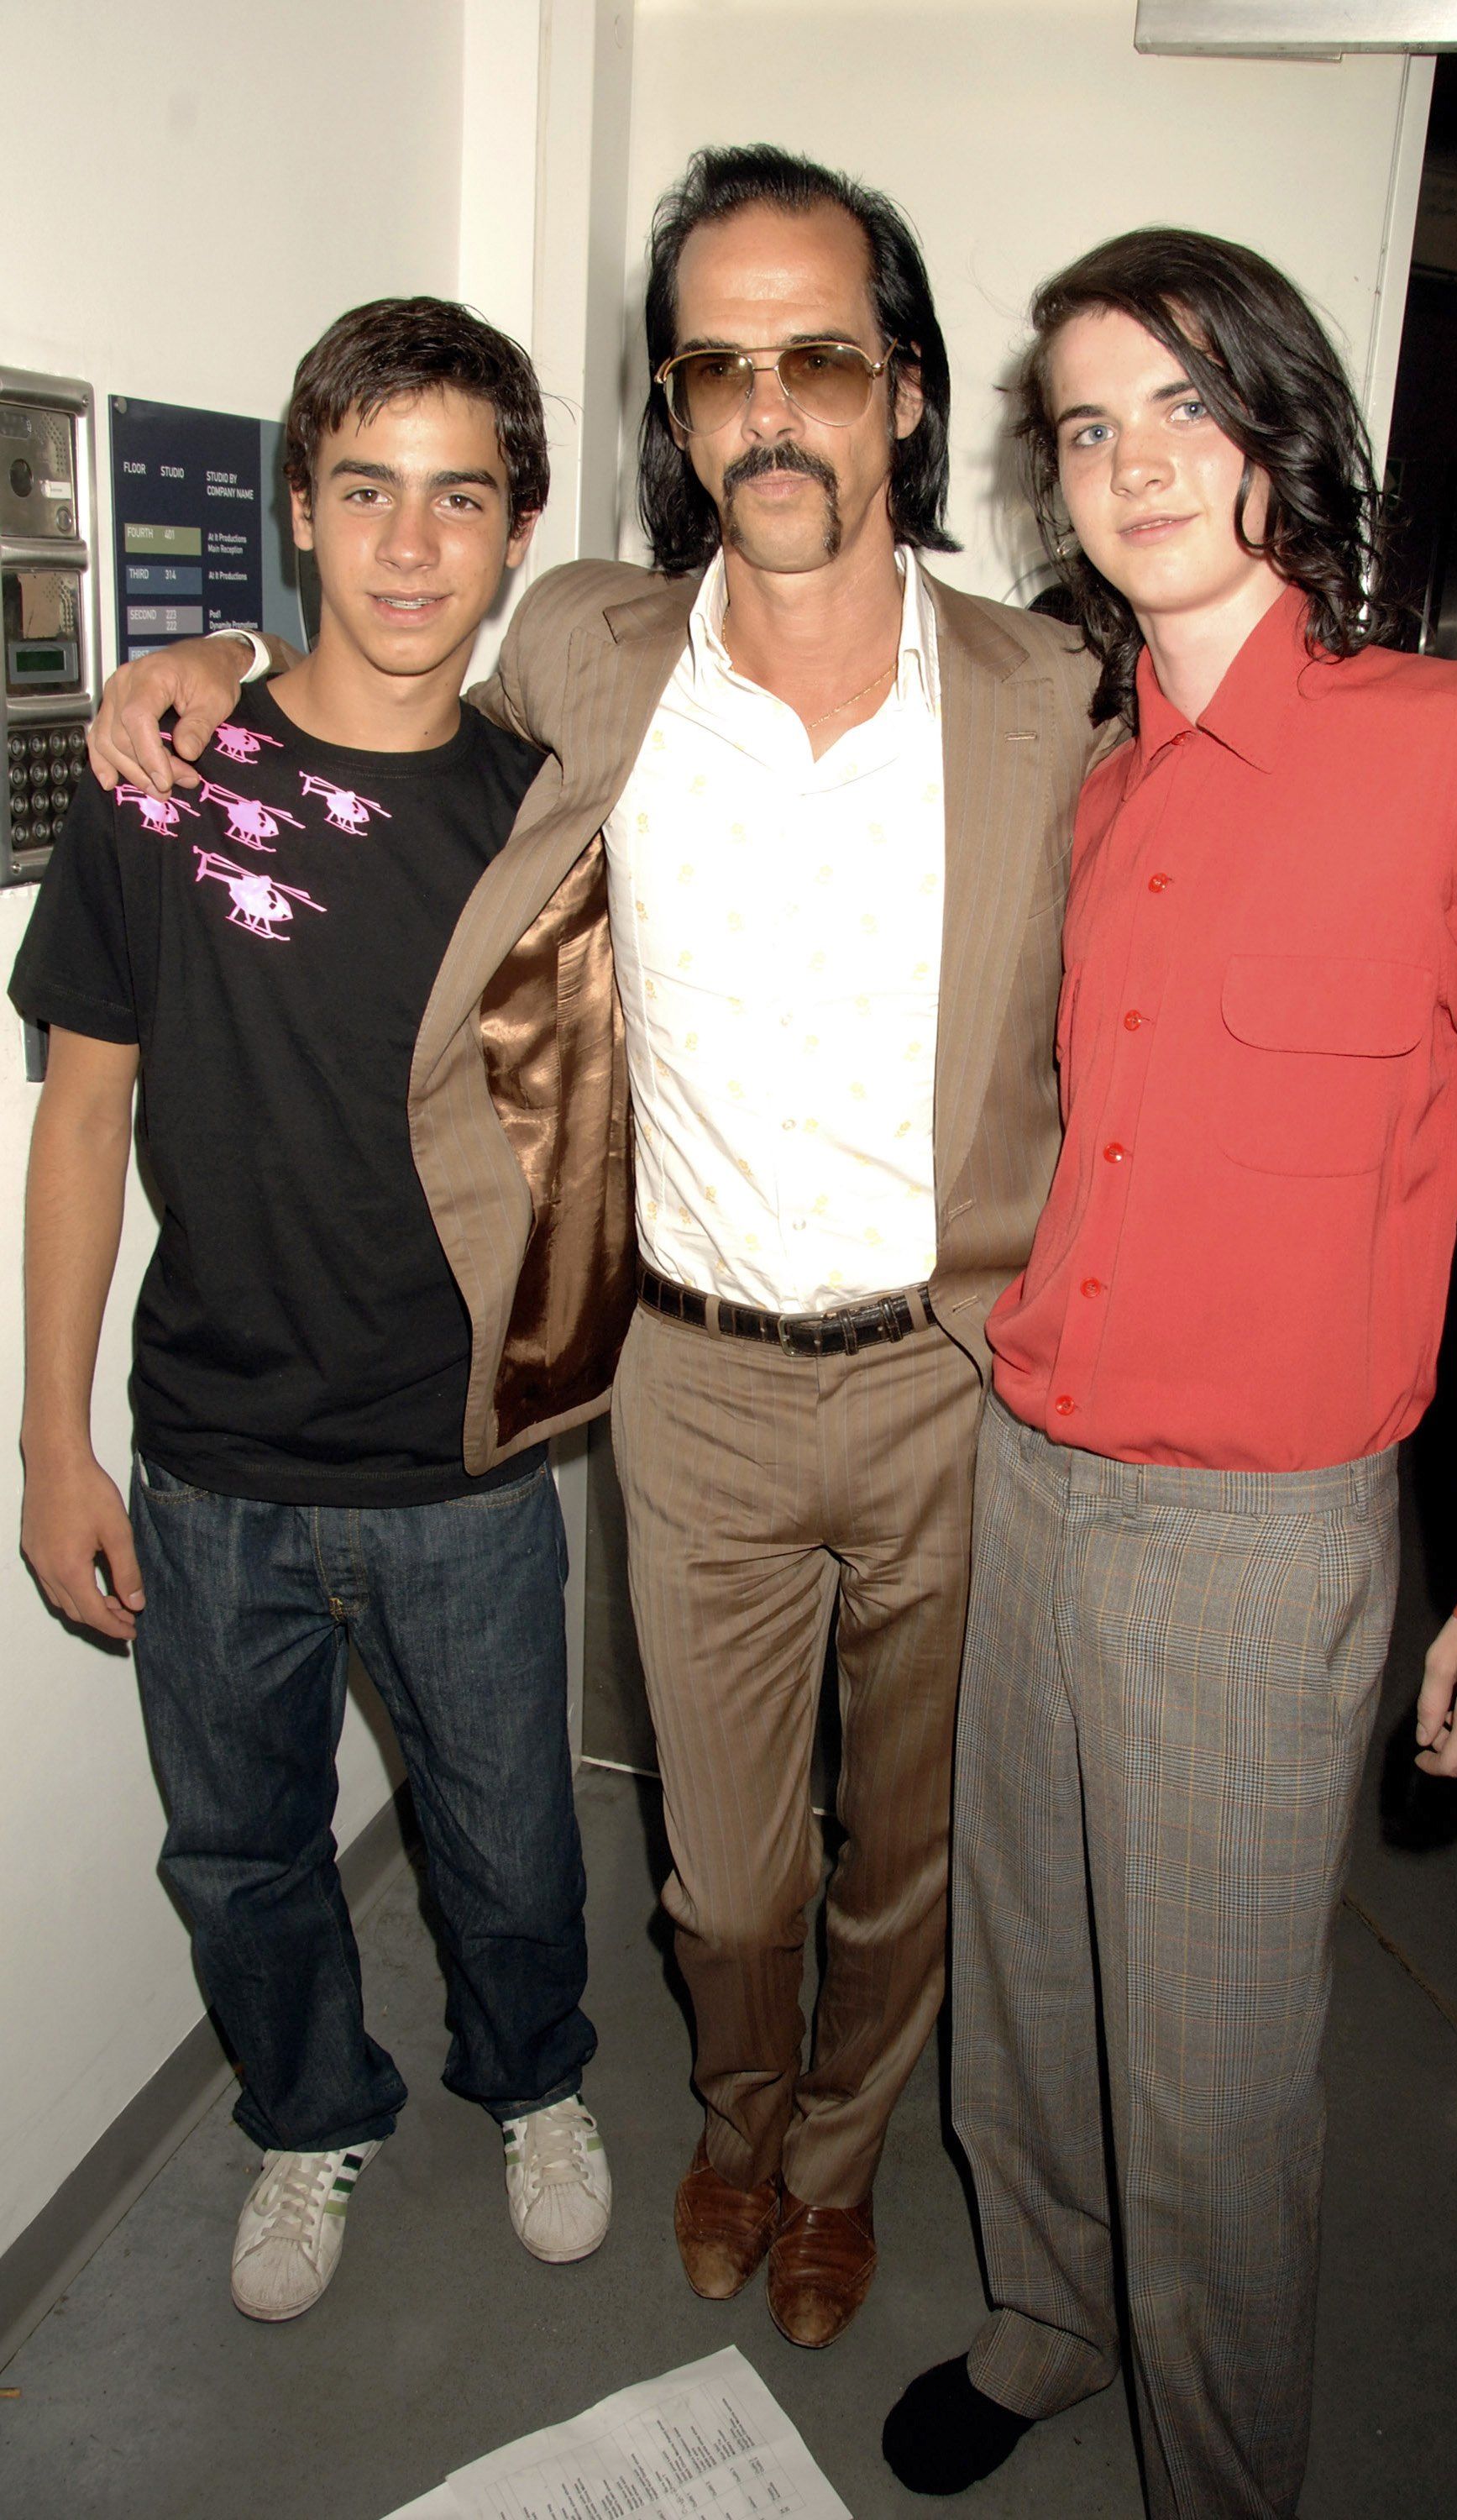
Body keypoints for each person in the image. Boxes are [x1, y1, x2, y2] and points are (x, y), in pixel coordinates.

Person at [85, 145, 1101, 2348]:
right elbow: (391, 619)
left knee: (897, 1852)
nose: (766, 411)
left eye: (814, 357)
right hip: (697, 1385)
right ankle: (732, 2118)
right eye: (715, 366)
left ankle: (829, 2168)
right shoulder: (592, 647)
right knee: (722, 1874)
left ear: (902, 392)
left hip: (951, 1374)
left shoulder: (1043, 696)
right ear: (669, 406)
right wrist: (213, 637)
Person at [883, 229, 1457, 2512]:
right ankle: (1044, 2315)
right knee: (1017, 1987)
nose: (1127, 463)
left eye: (1175, 408)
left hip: (1253, 1530)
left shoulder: (1455, 746)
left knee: (1209, 2086)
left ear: (1278, 431)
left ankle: (1220, 2479)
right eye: (1085, 426)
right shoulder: (1096, 789)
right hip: (1031, 1469)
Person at [14, 298, 620, 2325]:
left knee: (512, 1851)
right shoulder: (165, 780)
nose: (410, 543)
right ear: (297, 508)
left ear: (516, 529)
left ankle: (533, 2079)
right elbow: (84, 1116)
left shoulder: (547, 824)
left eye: (460, 496)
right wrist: (51, 1443)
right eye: (366, 488)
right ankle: (304, 2116)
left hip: (460, 1468)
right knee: (242, 1853)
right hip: (209, 1467)